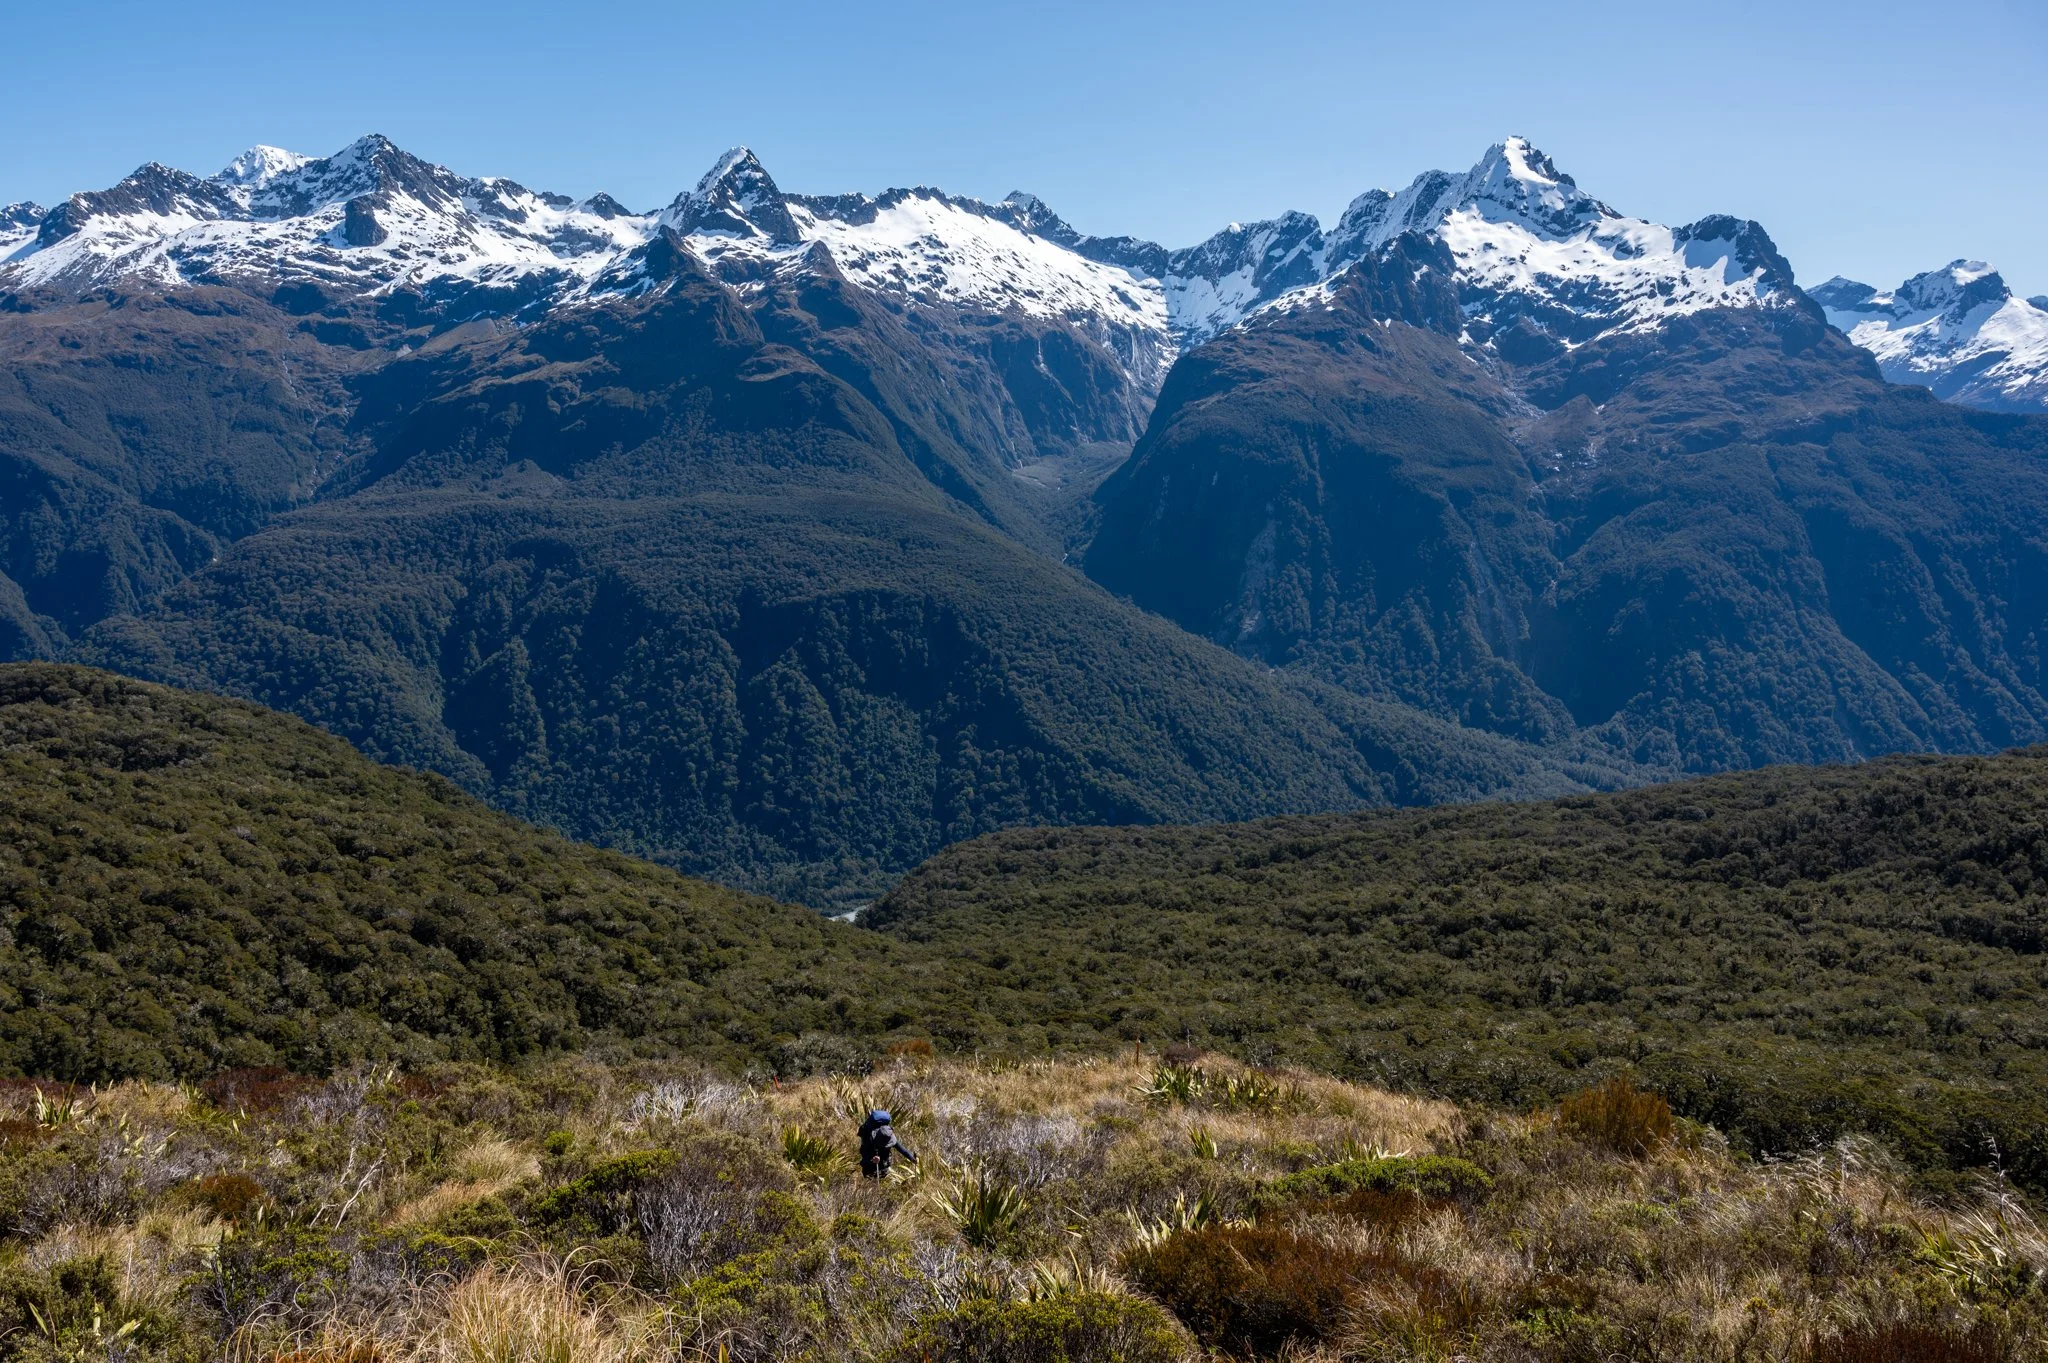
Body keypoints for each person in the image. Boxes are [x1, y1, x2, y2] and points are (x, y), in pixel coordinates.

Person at [858, 1108, 917, 1179]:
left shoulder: (889, 1135)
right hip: (870, 1168)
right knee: (871, 1184)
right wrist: (872, 1160)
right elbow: (864, 1156)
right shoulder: (869, 1139)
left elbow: (902, 1149)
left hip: (884, 1166)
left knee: (883, 1181)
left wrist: (912, 1158)